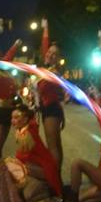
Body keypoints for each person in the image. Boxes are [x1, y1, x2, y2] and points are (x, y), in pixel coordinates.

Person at [9, 105, 64, 202]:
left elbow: (25, 155)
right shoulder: (22, 131)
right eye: (12, 118)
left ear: (25, 119)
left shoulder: (29, 133)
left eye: (16, 117)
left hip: (43, 167)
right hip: (34, 164)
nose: (12, 121)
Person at [37, 20, 67, 172]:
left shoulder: (54, 72)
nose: (50, 54)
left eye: (54, 54)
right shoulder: (45, 69)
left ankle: (55, 180)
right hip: (48, 109)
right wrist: (45, 29)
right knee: (55, 145)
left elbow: (58, 90)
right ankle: (57, 181)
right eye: (49, 52)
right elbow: (44, 47)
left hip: (51, 110)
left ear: (58, 58)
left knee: (53, 146)